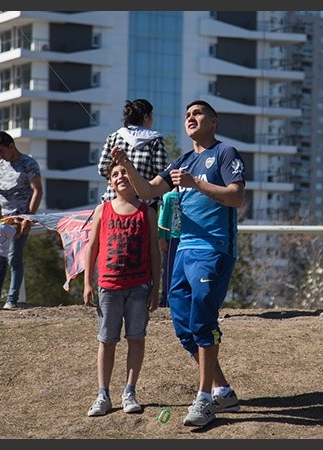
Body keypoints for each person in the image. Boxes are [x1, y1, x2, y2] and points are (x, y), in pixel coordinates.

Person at [111, 100, 245, 428]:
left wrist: (197, 183)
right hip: (182, 252)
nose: (191, 118)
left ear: (214, 121)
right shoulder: (182, 161)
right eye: (187, 115)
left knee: (202, 319)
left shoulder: (226, 153)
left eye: (198, 113)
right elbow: (147, 191)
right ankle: (223, 390)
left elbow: (237, 197)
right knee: (184, 328)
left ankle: (204, 399)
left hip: (213, 249)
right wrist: (126, 165)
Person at [83, 161, 161, 417]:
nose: (120, 177)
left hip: (139, 287)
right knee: (107, 340)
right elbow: (92, 246)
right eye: (115, 174)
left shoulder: (147, 212)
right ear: (109, 182)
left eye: (125, 172)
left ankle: (130, 391)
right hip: (109, 287)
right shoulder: (101, 210)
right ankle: (102, 393)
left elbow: (154, 253)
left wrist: (156, 287)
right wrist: (87, 282)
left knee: (136, 338)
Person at [0, 131, 43, 310]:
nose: (1, 155)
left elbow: (37, 191)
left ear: (11, 146)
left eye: (2, 151)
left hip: (19, 218)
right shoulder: (2, 164)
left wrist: (29, 218)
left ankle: (12, 299)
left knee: (14, 258)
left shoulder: (28, 163)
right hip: (2, 218)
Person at [98, 98, 167, 211]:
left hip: (114, 201)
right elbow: (161, 174)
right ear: (146, 117)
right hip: (144, 204)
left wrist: (120, 181)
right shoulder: (155, 139)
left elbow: (102, 169)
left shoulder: (114, 137)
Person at [158, 187, 182, 308]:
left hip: (185, 239)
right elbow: (162, 219)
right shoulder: (167, 197)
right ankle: (166, 300)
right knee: (169, 270)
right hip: (171, 239)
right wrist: (161, 237)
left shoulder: (188, 195)